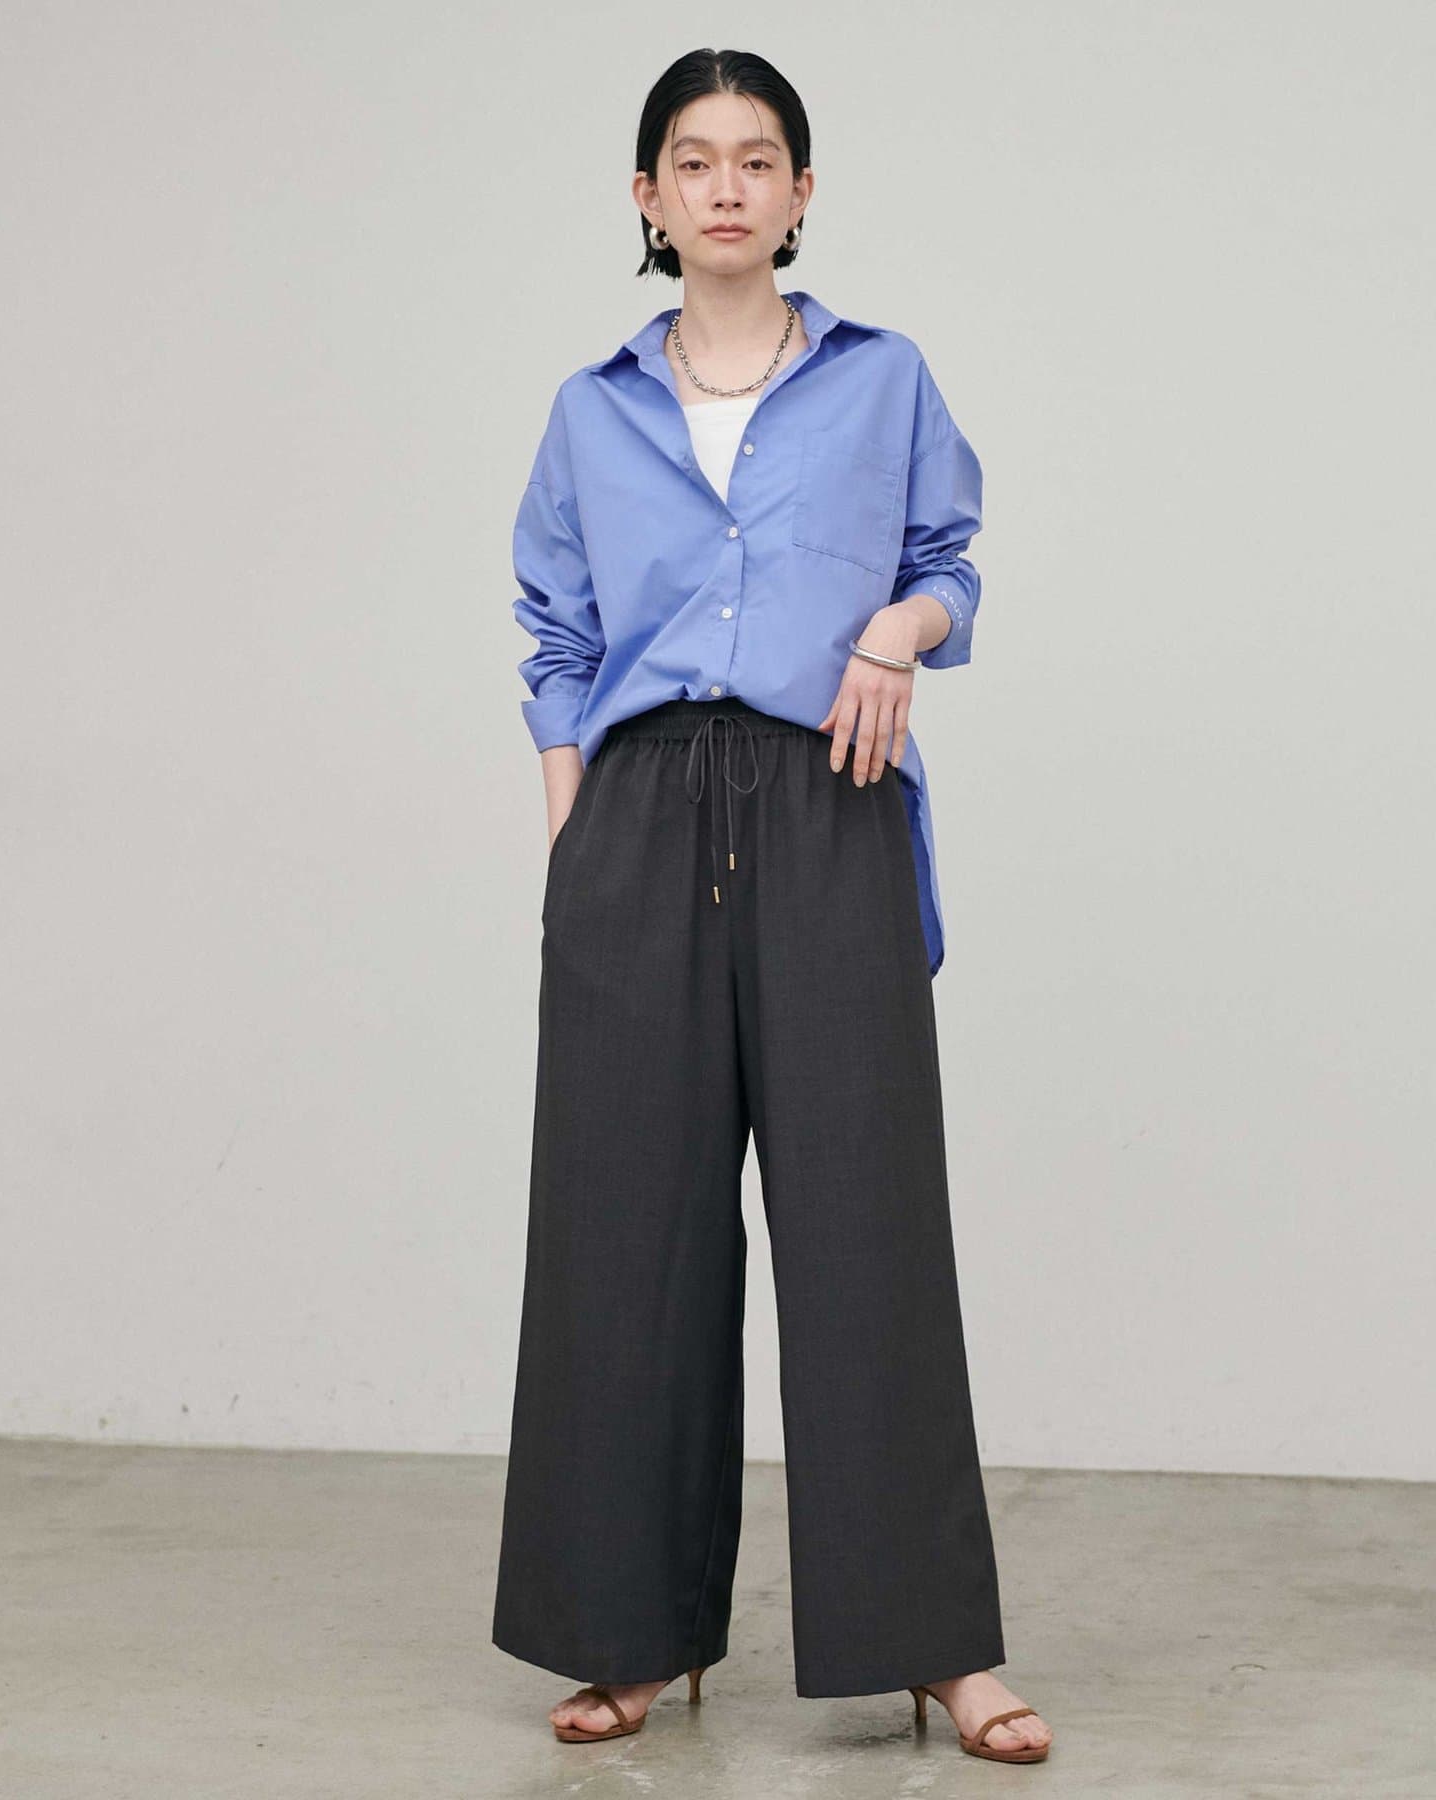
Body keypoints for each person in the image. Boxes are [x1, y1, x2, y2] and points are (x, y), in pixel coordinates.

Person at [490, 46, 1054, 1769]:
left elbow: (948, 564)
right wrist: (578, 838)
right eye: (693, 158)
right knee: (625, 1238)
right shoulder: (591, 410)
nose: (726, 184)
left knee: (868, 1228)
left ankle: (937, 1648)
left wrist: (896, 634)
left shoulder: (883, 380)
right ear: (648, 198)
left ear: (803, 193)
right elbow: (558, 636)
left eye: (758, 158)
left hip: (831, 797)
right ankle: (631, 1632)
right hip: (640, 816)